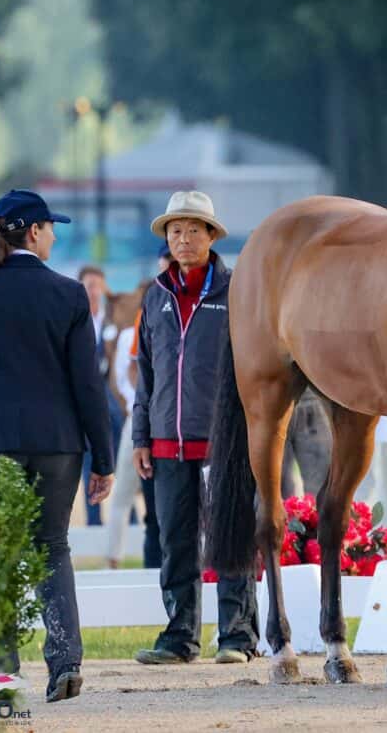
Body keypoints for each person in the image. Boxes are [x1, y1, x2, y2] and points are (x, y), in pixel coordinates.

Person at [0, 189, 114, 702]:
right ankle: (64, 663)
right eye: (50, 228)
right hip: (58, 444)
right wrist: (101, 458)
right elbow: (89, 385)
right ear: (33, 232)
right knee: (52, 547)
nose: (55, 236)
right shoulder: (69, 295)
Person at [132, 190, 259, 664]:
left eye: (192, 230)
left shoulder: (237, 292)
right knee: (175, 540)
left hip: (225, 439)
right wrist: (140, 437)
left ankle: (237, 637)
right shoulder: (155, 294)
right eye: (175, 231)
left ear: (211, 236)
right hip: (166, 441)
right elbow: (146, 372)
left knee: (231, 535)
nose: (182, 239)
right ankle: (179, 637)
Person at [105, 282, 151, 569]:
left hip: (166, 421)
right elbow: (122, 378)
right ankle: (113, 559)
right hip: (137, 420)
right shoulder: (128, 336)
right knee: (122, 493)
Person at [78, 264, 123, 525]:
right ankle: (93, 521)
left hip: (111, 396)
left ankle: (126, 520)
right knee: (88, 458)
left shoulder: (113, 317)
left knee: (119, 458)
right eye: (88, 286)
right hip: (88, 397)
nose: (93, 291)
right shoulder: (76, 318)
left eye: (97, 285)